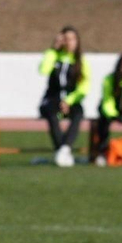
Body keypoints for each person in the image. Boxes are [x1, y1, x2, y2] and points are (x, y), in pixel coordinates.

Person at [37, 26, 89, 167]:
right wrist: (53, 50)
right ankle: (62, 150)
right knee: (51, 112)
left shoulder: (80, 61)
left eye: (72, 39)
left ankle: (64, 149)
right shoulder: (54, 56)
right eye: (66, 39)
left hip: (71, 100)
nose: (69, 42)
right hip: (52, 98)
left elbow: (84, 87)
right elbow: (43, 70)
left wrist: (69, 101)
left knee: (78, 113)